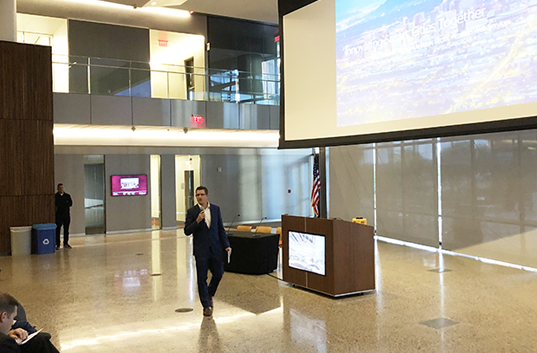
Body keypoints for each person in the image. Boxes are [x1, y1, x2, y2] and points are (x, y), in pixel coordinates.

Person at [184, 186, 231, 317]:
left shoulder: (215, 209)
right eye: (197, 195)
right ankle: (205, 305)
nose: (199, 197)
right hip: (201, 251)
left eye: (202, 194)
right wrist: (197, 221)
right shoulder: (192, 212)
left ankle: (209, 292)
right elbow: (187, 231)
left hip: (215, 249)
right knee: (202, 278)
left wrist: (226, 245)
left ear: (207, 196)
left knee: (218, 274)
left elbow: (220, 229)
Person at [55, 183, 73, 250]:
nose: (61, 189)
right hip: (58, 216)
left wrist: (64, 204)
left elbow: (70, 203)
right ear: (57, 189)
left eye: (62, 188)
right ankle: (57, 244)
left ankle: (66, 243)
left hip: (66, 215)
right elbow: (56, 204)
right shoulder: (56, 196)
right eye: (60, 188)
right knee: (58, 230)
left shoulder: (67, 196)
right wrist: (64, 204)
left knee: (66, 230)